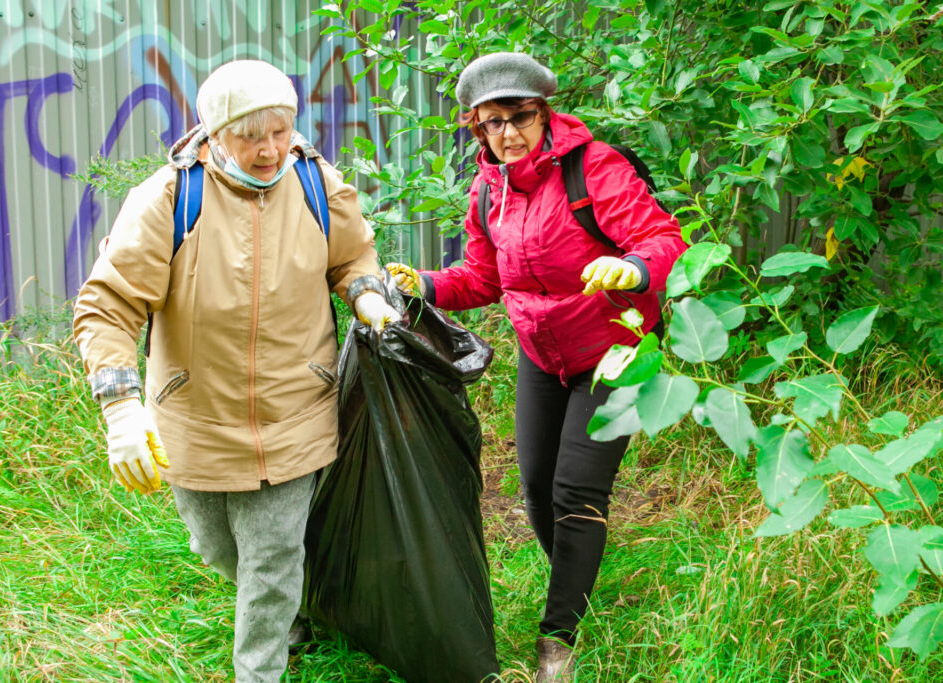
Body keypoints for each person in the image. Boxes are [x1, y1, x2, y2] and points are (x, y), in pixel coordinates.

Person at [73, 59, 399, 682]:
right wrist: (120, 407)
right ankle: (291, 613)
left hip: (295, 407)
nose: (270, 149)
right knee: (218, 548)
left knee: (272, 559)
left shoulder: (314, 182)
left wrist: (367, 294)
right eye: (251, 135)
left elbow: (353, 254)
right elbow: (108, 304)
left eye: (281, 131)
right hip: (194, 413)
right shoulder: (170, 198)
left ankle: (261, 665)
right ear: (213, 132)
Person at [388, 52, 687, 682]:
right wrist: (424, 284)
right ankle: (576, 579)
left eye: (519, 116)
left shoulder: (593, 168)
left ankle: (559, 638)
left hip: (615, 349)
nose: (507, 133)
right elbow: (483, 278)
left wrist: (632, 268)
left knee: (577, 489)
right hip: (541, 352)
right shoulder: (488, 189)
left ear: (542, 112)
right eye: (491, 123)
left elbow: (663, 239)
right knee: (535, 486)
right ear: (478, 129)